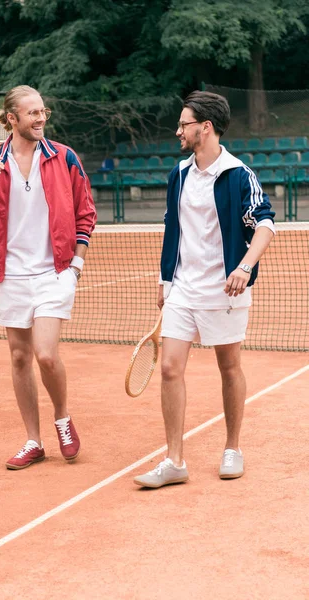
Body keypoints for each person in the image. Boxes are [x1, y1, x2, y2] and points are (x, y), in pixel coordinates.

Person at [134, 91, 275, 488]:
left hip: (225, 290)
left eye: (184, 124)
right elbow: (172, 227)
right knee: (169, 367)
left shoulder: (238, 174)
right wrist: (166, 280)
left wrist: (245, 267)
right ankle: (174, 460)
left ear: (205, 128)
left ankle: (232, 447)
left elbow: (264, 223)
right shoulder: (178, 174)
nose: (178, 130)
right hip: (183, 289)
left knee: (228, 367)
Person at [0, 85, 96, 470]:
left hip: (55, 272)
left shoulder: (65, 158)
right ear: (11, 120)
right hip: (9, 275)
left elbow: (86, 213)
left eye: (43, 111)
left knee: (46, 355)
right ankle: (33, 441)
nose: (41, 118)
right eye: (32, 113)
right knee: (19, 357)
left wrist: (76, 268)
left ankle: (63, 418)